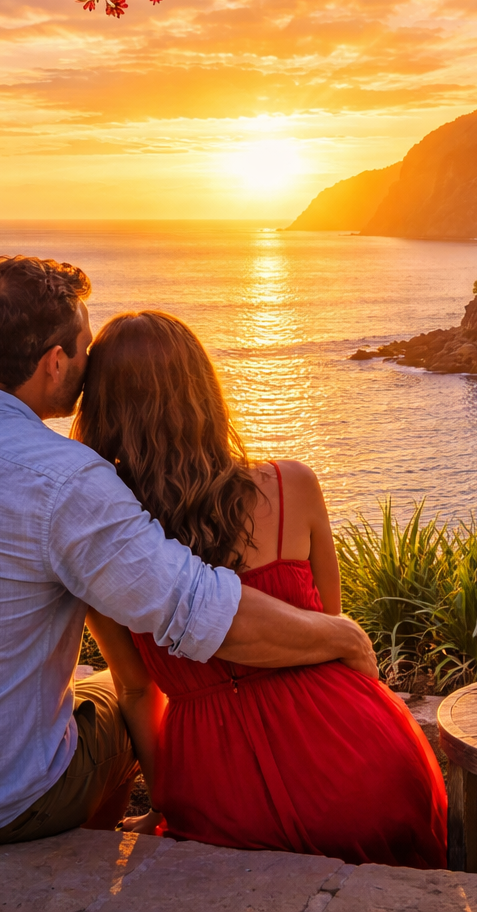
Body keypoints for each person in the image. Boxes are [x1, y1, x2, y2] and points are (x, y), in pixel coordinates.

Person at [0, 256, 375, 843]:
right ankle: (88, 863)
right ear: (55, 363)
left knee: (102, 685)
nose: (88, 365)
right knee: (113, 699)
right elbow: (204, 614)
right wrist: (342, 636)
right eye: (84, 348)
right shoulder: (65, 480)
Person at [71, 310, 446, 868]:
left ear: (100, 411)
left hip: (216, 786)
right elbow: (326, 638)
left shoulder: (100, 542)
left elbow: (135, 691)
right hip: (361, 762)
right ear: (203, 391)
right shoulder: (293, 485)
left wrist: (167, 804)